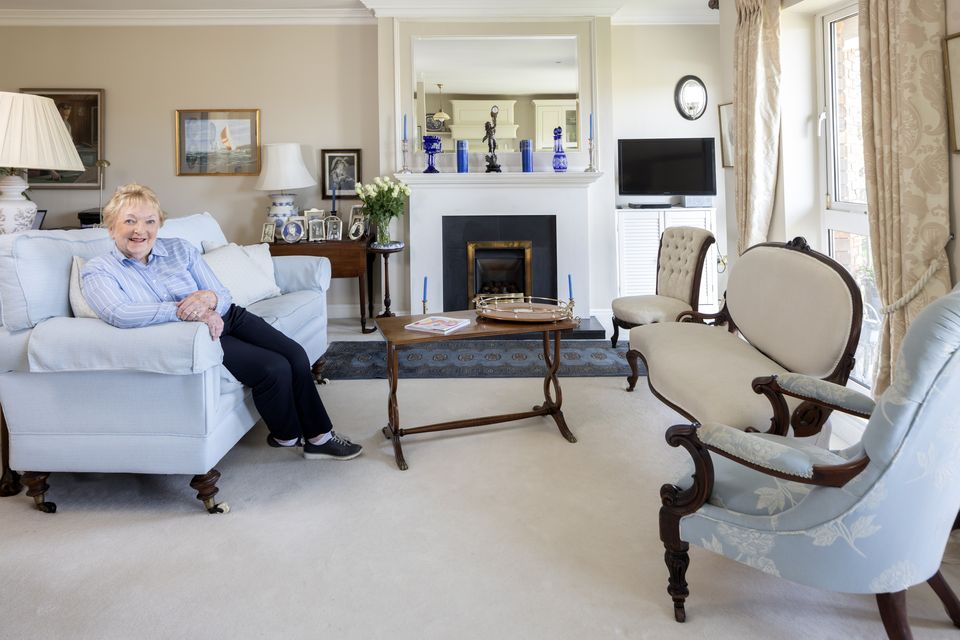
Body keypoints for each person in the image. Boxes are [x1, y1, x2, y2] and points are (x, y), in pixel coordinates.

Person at [81, 183, 362, 461]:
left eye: (149, 221)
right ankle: (285, 435)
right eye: (129, 221)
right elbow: (119, 312)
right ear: (110, 226)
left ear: (159, 224)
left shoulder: (180, 249)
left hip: (229, 316)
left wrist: (210, 300)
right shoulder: (99, 270)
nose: (140, 230)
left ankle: (319, 438)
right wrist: (186, 310)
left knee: (296, 355)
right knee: (273, 368)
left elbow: (223, 295)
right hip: (196, 334)